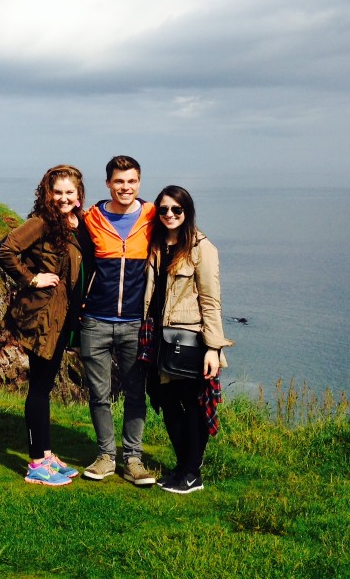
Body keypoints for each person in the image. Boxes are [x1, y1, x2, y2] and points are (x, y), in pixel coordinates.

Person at [0, 165, 92, 486]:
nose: (63, 198)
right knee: (39, 387)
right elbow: (4, 251)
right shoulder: (41, 222)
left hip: (65, 316)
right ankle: (36, 464)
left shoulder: (78, 222)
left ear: (78, 195)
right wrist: (31, 278)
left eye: (69, 192)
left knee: (46, 385)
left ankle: (46, 454)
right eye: (57, 192)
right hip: (45, 315)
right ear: (47, 194)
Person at [142, 185, 233, 494]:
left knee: (193, 405)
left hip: (189, 339)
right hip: (158, 337)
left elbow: (211, 301)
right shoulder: (155, 243)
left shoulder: (201, 248)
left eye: (176, 210)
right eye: (164, 209)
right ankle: (184, 467)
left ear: (187, 212)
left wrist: (213, 347)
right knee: (167, 402)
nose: (169, 215)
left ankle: (192, 473)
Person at [80, 155, 158, 486]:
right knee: (99, 393)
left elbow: (185, 234)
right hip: (95, 320)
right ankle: (105, 457)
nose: (125, 187)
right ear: (108, 183)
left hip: (134, 323)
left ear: (139, 182)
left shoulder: (154, 215)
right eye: (119, 181)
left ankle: (133, 459)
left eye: (131, 181)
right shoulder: (91, 218)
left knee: (135, 393)